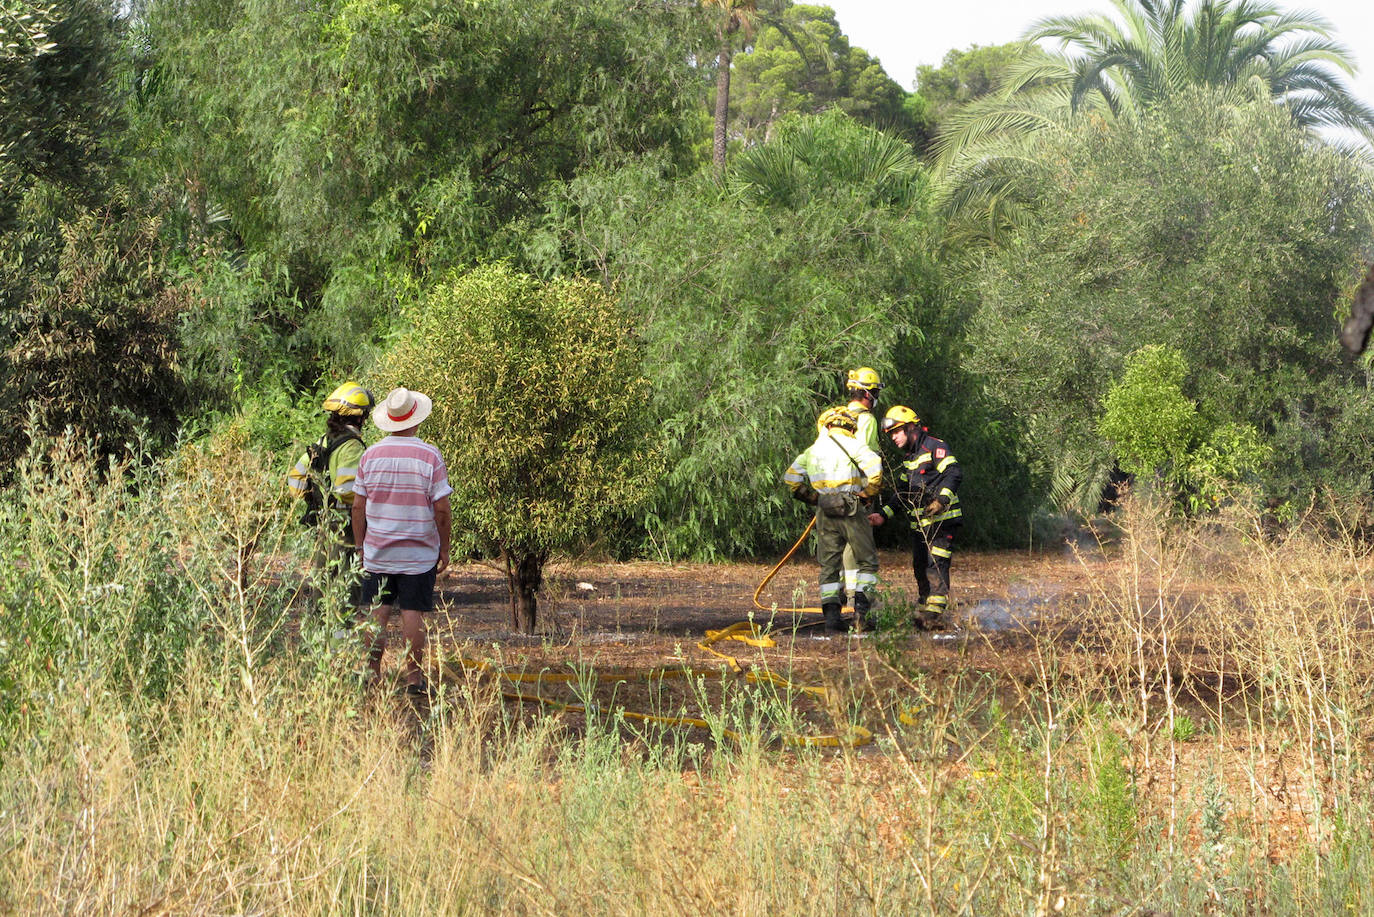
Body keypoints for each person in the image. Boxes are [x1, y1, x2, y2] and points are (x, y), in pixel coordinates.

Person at [351, 387, 452, 694]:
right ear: (415, 419)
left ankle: (372, 673)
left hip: (378, 551)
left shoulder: (370, 455)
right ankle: (413, 678)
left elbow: (358, 506)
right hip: (418, 553)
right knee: (412, 613)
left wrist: (360, 545)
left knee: (377, 611)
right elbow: (442, 508)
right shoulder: (430, 455)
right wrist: (444, 548)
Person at [784, 406, 883, 633]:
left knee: (829, 564)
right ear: (850, 427)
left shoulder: (812, 450)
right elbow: (875, 470)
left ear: (827, 425)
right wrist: (867, 494)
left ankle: (831, 619)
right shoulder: (855, 444)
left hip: (825, 510)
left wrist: (813, 499)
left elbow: (791, 479)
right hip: (852, 508)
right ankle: (861, 616)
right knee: (867, 561)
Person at [286, 381, 373, 609]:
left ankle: (321, 640)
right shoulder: (352, 446)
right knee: (344, 590)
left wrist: (315, 499)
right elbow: (347, 491)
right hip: (345, 527)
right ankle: (339, 641)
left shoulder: (322, 441)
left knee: (322, 585)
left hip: (325, 524)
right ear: (359, 417)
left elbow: (294, 481)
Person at [880, 405, 963, 631]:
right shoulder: (909, 458)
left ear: (910, 427)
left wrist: (941, 501)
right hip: (921, 526)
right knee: (919, 566)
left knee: (936, 563)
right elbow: (901, 494)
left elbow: (953, 473)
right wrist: (882, 515)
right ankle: (925, 608)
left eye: (896, 432)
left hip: (942, 521)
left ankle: (933, 616)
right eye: (891, 434)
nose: (893, 437)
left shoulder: (935, 447)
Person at [843, 368, 887, 596]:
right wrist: (870, 490)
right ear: (867, 394)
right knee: (859, 546)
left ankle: (836, 599)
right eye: (875, 392)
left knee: (837, 544)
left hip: (832, 489)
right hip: (856, 490)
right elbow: (865, 458)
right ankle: (859, 599)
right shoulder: (866, 419)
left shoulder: (836, 417)